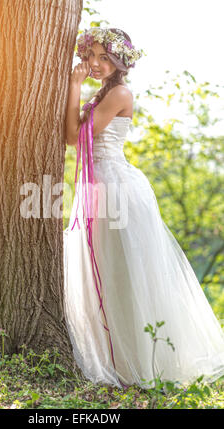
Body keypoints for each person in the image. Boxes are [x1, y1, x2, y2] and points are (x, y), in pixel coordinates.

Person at [63, 27, 224, 390]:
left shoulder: (119, 92)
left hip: (117, 188)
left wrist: (72, 87)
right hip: (101, 186)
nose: (96, 64)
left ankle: (138, 360)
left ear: (119, 62)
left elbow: (75, 138)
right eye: (92, 56)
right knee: (106, 269)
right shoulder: (103, 92)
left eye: (105, 57)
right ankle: (114, 352)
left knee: (123, 273)